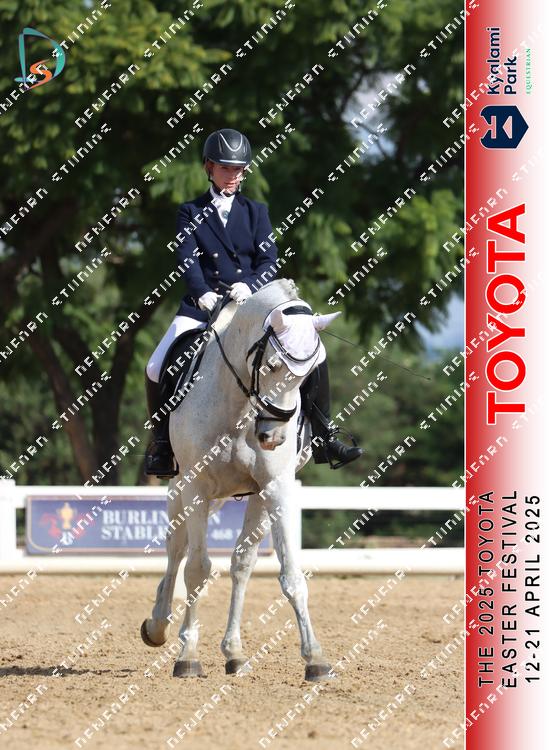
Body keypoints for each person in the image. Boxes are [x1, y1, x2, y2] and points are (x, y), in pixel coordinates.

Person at [144, 128, 362, 478]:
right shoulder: (190, 211)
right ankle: (162, 446)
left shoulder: (256, 211)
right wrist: (201, 292)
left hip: (250, 306)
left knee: (315, 352)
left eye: (238, 169)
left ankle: (324, 436)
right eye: (226, 168)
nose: (233, 175)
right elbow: (187, 258)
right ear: (209, 168)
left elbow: (269, 261)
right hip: (204, 306)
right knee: (156, 366)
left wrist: (250, 285)